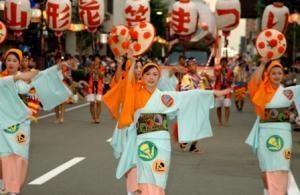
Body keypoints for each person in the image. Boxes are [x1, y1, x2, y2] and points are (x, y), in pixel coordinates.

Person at [104, 55, 230, 195]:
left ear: (159, 77)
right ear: (142, 76)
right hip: (144, 143)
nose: (151, 77)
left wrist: (213, 92)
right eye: (148, 74)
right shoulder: (135, 92)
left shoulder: (164, 97)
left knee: (160, 174)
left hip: (162, 145)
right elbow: (127, 82)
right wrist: (132, 63)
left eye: (155, 74)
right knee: (145, 174)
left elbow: (187, 96)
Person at [0, 48, 72, 195]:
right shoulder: (4, 79)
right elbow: (10, 80)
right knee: (5, 156)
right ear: (4, 62)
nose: (11, 63)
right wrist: (23, 76)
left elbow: (43, 75)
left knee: (19, 156)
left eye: (14, 60)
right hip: (3, 124)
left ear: (19, 63)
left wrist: (59, 66)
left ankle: (14, 187)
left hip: (20, 125)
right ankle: (5, 185)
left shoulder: (24, 79)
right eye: (8, 60)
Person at [246, 58, 300, 195]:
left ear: (283, 75)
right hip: (265, 132)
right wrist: (263, 64)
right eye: (273, 73)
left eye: (279, 73)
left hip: (284, 133)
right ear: (268, 75)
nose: (277, 76)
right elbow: (254, 82)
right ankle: (269, 192)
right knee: (265, 169)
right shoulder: (261, 91)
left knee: (283, 165)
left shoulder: (289, 92)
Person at [179, 58, 213, 153]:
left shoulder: (201, 76)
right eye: (190, 65)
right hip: (191, 104)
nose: (192, 67)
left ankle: (193, 146)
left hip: (201, 104)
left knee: (200, 125)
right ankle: (185, 140)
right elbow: (184, 90)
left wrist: (206, 76)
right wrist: (194, 90)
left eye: (193, 64)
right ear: (187, 67)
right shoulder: (186, 77)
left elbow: (210, 85)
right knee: (191, 124)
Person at [214, 57, 233, 126]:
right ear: (220, 63)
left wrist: (226, 77)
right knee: (218, 107)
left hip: (226, 90)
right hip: (218, 90)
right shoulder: (216, 69)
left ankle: (226, 121)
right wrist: (220, 72)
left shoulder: (230, 71)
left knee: (227, 106)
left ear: (227, 63)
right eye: (222, 62)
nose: (223, 63)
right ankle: (219, 120)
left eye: (225, 62)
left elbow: (231, 81)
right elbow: (215, 77)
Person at [86, 54, 105, 123]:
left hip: (99, 86)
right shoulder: (91, 66)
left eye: (98, 59)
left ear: (100, 60)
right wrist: (92, 68)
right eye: (95, 60)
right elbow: (88, 73)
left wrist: (97, 70)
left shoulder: (102, 67)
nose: (97, 61)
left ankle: (97, 117)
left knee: (99, 102)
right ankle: (93, 117)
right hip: (91, 86)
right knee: (92, 103)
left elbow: (101, 76)